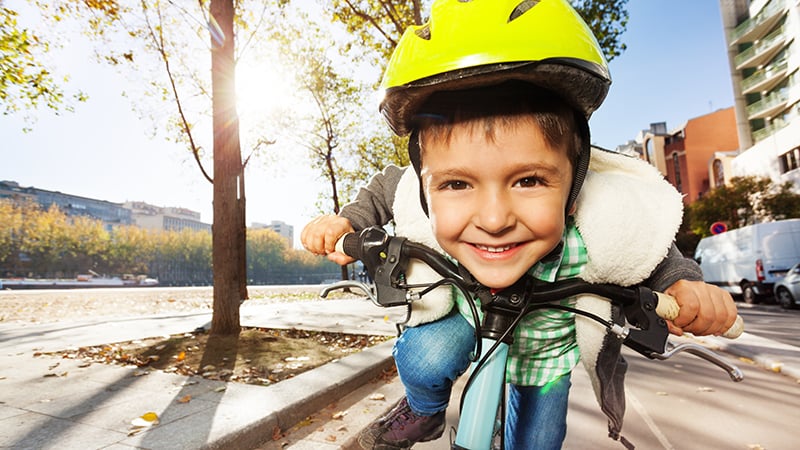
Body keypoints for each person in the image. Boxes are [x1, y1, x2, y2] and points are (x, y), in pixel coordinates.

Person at [302, 0, 738, 448]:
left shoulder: (605, 220)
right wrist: (347, 221)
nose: (493, 220)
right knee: (425, 361)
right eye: (455, 184)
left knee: (539, 441)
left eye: (529, 180)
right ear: (425, 192)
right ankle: (423, 410)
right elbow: (387, 188)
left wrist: (685, 287)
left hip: (545, 356)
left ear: (576, 187)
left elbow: (651, 247)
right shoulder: (411, 192)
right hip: (463, 312)